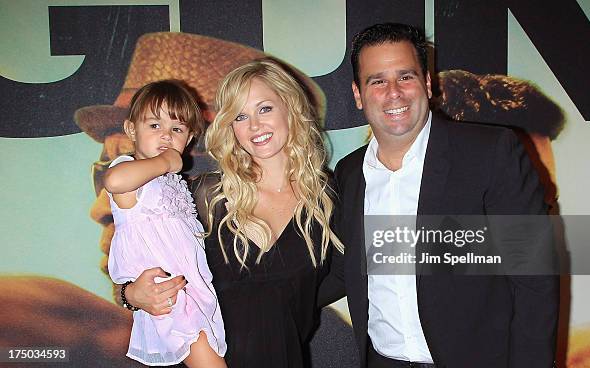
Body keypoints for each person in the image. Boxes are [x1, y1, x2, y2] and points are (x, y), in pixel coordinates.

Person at [318, 23, 559, 367]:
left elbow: (534, 274)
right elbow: (344, 270)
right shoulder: (349, 172)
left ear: (427, 83)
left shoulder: (489, 153)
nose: (394, 92)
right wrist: (272, 300)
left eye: (405, 76)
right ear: (358, 94)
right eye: (377, 81)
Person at [124, 58, 343, 367]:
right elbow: (145, 262)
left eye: (265, 108)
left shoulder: (326, 197)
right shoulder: (204, 196)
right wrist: (131, 294)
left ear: (290, 108)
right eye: (240, 116)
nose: (254, 126)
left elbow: (346, 275)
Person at [104, 79, 226, 367]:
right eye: (154, 126)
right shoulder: (130, 171)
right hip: (169, 292)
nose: (166, 136)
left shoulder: (174, 183)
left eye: (177, 129)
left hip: (191, 288)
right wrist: (165, 162)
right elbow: (114, 181)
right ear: (131, 129)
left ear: (191, 138)